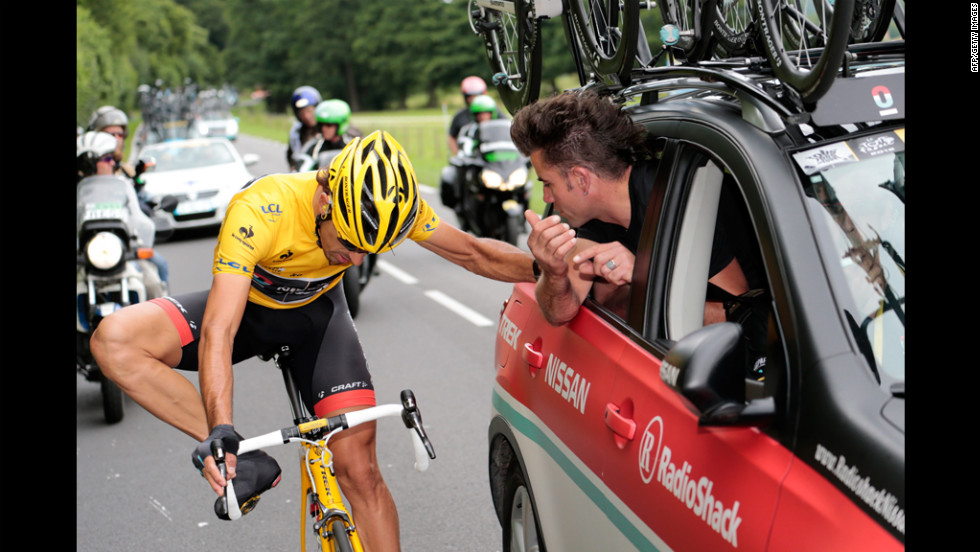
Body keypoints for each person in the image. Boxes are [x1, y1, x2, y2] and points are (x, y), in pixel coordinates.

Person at [89, 130, 535, 551]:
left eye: (370, 250)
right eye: (347, 241)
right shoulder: (262, 207)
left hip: (318, 324)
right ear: (325, 198)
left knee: (360, 473)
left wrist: (551, 267)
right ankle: (242, 458)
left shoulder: (392, 207)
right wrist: (221, 428)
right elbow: (219, 330)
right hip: (246, 312)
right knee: (113, 341)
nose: (356, 258)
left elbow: (474, 252)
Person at [511, 91, 755, 333]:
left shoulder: (681, 201)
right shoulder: (596, 217)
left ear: (581, 179)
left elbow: (741, 318)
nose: (546, 198)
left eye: (547, 183)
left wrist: (644, 278)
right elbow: (559, 313)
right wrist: (553, 272)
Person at [77, 131, 168, 298]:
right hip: (87, 258)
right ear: (89, 163)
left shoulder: (122, 184)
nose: (112, 163)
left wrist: (142, 236)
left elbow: (137, 215)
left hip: (124, 253)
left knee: (153, 283)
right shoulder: (79, 190)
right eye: (106, 159)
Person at [446, 76, 488, 156]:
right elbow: (451, 137)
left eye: (476, 96)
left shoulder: (494, 111)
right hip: (469, 157)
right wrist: (459, 155)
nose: (472, 99)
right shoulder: (460, 115)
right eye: (469, 96)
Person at [286, 86, 322, 170]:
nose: (306, 116)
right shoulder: (296, 133)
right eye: (302, 113)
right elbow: (292, 158)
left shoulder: (330, 126)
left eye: (309, 111)